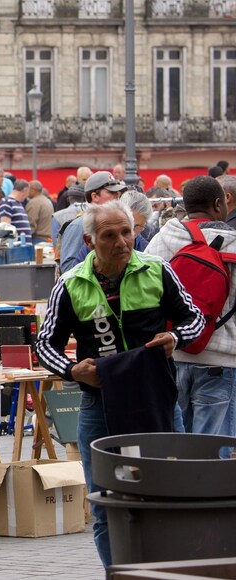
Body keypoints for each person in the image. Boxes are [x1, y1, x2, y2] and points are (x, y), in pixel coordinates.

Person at [36, 199, 204, 568]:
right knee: (105, 505)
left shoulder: (158, 271)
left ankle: (165, 572)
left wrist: (176, 340)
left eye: (127, 232)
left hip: (157, 401)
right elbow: (44, 345)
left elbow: (195, 319)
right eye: (109, 235)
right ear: (90, 241)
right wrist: (71, 370)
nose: (121, 242)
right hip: (99, 406)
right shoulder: (70, 285)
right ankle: (120, 574)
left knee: (169, 496)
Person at [146, 176, 236, 450]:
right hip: (222, 363)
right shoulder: (233, 243)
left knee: (177, 447)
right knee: (215, 450)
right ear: (219, 204)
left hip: (172, 354)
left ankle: (181, 492)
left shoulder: (162, 240)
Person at [58, 171, 128, 274]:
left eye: (118, 192)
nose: (117, 195)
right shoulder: (79, 225)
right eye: (111, 192)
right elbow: (68, 270)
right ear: (95, 196)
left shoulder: (117, 222)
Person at [25, 180, 55, 244]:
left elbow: (31, 223)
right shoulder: (47, 201)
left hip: (37, 239)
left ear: (33, 190)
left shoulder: (33, 202)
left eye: (28, 189)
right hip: (47, 239)